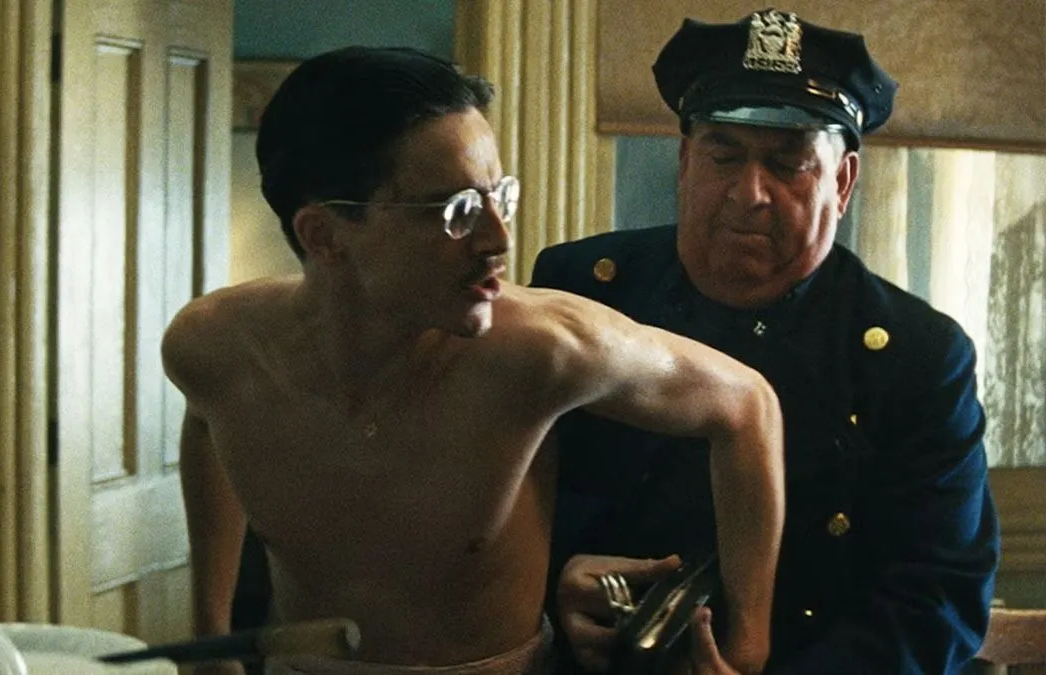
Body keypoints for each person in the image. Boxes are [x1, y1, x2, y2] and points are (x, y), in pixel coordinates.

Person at [164, 46, 787, 675]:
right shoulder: (214, 347)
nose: (499, 239)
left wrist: (749, 647)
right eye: (457, 211)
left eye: (499, 197)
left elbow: (746, 404)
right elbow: (210, 422)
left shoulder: (542, 351)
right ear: (323, 235)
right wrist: (210, 636)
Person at [531, 9, 1000, 674]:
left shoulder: (916, 358)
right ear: (685, 161)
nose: (749, 193)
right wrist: (554, 585)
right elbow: (493, 508)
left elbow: (936, 597)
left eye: (788, 164)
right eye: (723, 156)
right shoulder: (583, 294)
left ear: (842, 183)